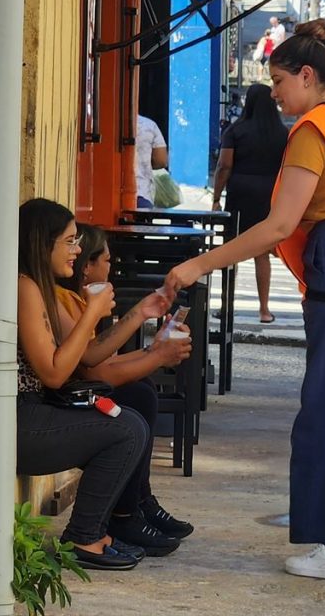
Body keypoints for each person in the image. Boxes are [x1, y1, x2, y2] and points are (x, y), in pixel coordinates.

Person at [163, 19, 325, 581]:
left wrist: (199, 262)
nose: (273, 92)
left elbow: (279, 225)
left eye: (278, 80)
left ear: (308, 75)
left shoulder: (315, 128)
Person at [16, 199, 150, 571]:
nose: (77, 251)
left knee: (130, 419)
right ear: (43, 244)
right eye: (70, 242)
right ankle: (84, 537)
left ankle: (97, 531)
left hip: (33, 411)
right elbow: (55, 373)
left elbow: (87, 357)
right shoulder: (24, 287)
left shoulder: (37, 286)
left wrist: (136, 314)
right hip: (20, 420)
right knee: (126, 430)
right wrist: (91, 312)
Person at [58, 223, 196, 554]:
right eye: (106, 259)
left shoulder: (77, 301)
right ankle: (124, 513)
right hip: (62, 403)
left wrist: (154, 351)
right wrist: (155, 354)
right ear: (87, 267)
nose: (112, 266)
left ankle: (138, 502)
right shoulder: (63, 300)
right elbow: (97, 370)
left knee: (141, 387)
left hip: (77, 390)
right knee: (136, 397)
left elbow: (102, 360)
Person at [211, 84, 289, 323]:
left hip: (241, 193)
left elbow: (224, 166)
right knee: (262, 253)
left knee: (232, 250)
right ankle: (264, 310)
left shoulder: (236, 131)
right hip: (269, 195)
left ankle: (226, 307)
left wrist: (216, 197)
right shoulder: (283, 133)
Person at [135, 114, 168, 208]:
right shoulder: (148, 125)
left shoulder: (98, 123)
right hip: (141, 194)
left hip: (103, 195)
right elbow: (161, 161)